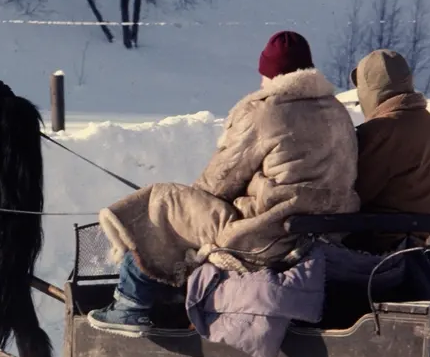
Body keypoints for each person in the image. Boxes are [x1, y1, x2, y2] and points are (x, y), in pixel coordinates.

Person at [88, 31, 361, 335]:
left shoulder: (266, 111)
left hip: (266, 237)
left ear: (270, 74)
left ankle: (130, 306)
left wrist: (193, 202)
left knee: (163, 200)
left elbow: (218, 182)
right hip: (324, 232)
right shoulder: (338, 112)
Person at [345, 49, 430, 254]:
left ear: (370, 91)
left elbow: (350, 195)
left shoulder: (380, 131)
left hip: (372, 256)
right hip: (419, 254)